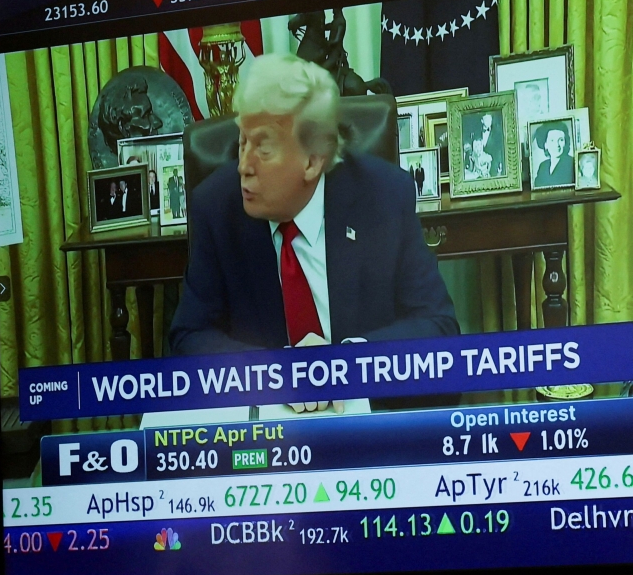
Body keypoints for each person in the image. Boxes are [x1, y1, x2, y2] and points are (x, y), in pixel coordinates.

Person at [170, 53, 458, 359]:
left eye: (263, 148)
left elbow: (438, 326)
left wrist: (347, 360)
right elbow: (189, 337)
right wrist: (277, 369)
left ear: (312, 162)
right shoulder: (217, 208)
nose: (244, 166)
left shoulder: (383, 198)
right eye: (242, 142)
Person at [532, 120, 575, 189]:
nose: (557, 145)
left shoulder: (572, 163)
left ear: (565, 143)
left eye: (561, 140)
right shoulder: (543, 166)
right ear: (545, 144)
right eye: (552, 140)